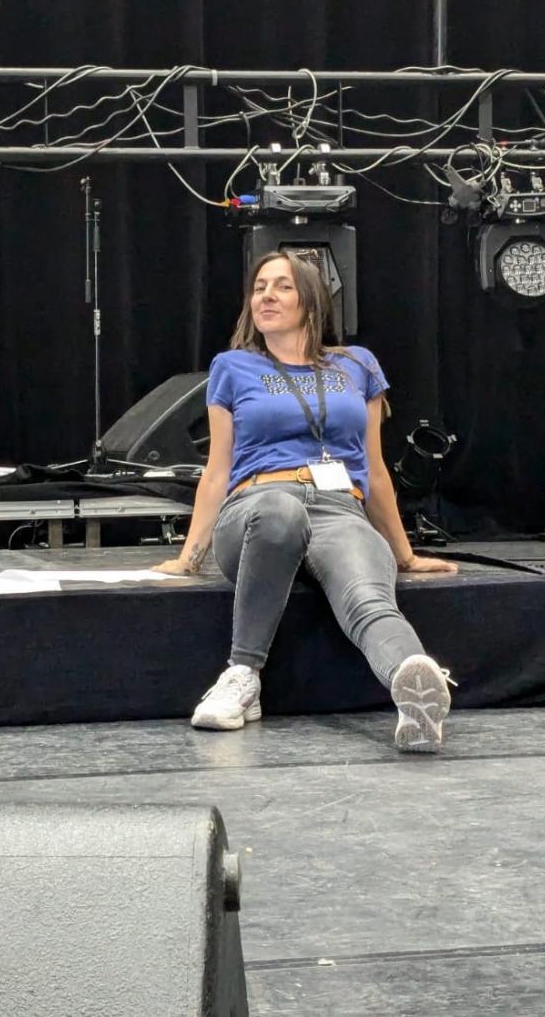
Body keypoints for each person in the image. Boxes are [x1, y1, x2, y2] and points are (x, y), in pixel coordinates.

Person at [153, 251, 459, 752]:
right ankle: (242, 675)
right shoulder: (232, 367)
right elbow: (218, 469)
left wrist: (404, 554)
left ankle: (414, 688)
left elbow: (375, 468)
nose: (266, 296)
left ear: (312, 300)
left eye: (282, 286)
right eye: (259, 288)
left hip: (339, 507)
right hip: (257, 506)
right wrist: (189, 557)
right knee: (282, 512)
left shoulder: (358, 365)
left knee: (367, 596)